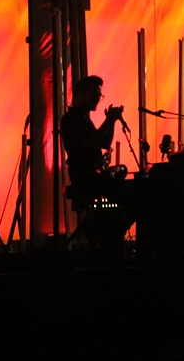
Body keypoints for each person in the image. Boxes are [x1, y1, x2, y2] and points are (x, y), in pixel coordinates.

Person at [60, 74, 134, 249]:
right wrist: (108, 121)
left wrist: (112, 122)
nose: (97, 100)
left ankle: (111, 237)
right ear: (79, 94)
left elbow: (104, 143)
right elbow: (92, 143)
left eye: (98, 95)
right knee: (131, 195)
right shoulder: (71, 120)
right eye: (94, 94)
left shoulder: (86, 119)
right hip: (85, 177)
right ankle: (110, 239)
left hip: (93, 176)